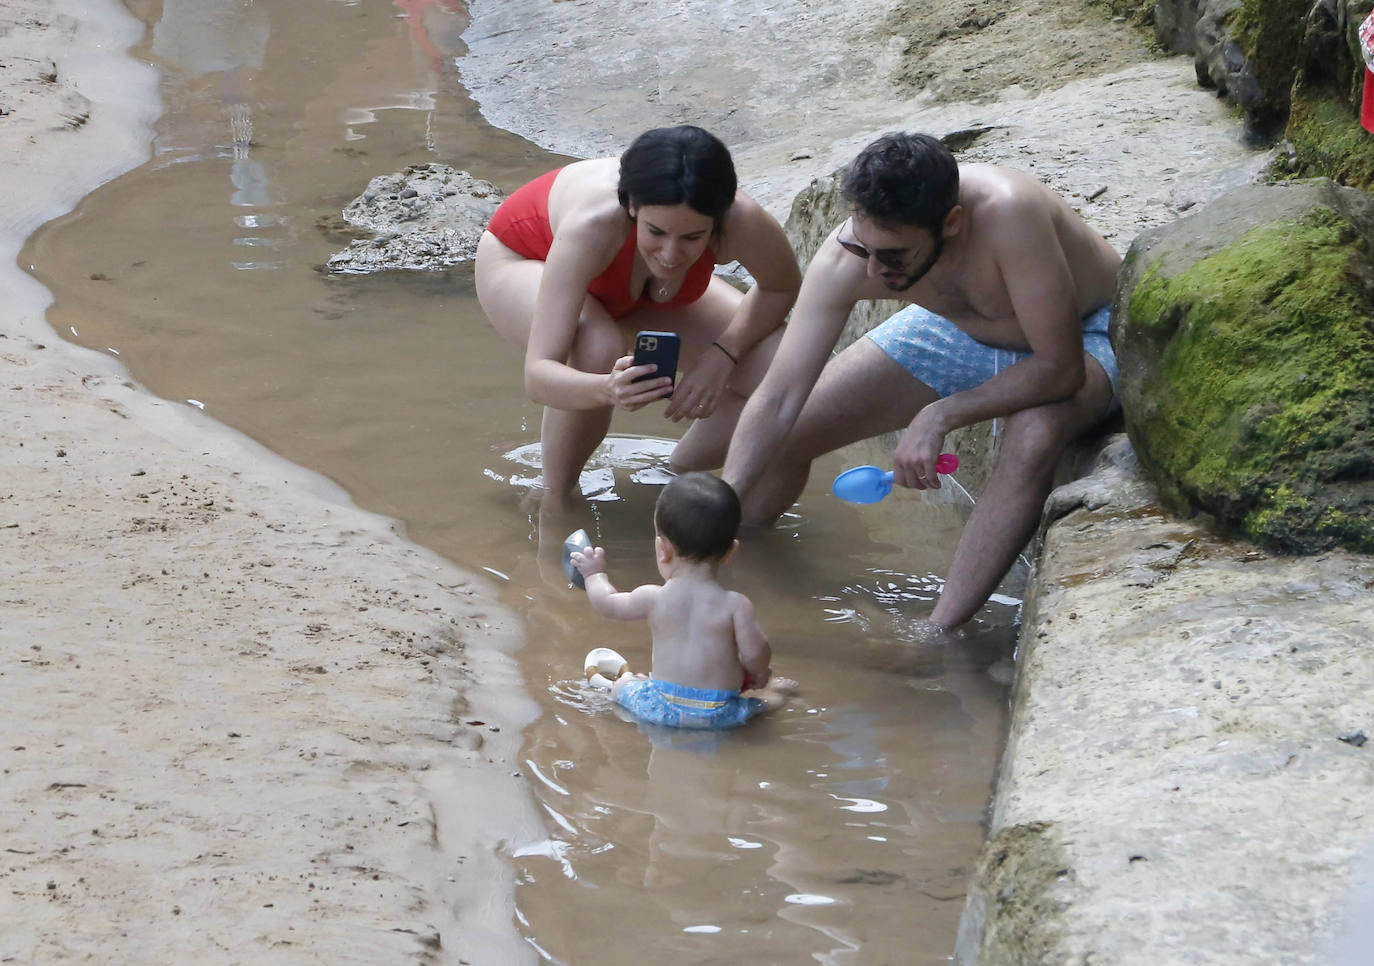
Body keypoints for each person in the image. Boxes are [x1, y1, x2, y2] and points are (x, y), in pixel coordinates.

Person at [722, 132, 1122, 630]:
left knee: (1035, 433)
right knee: (788, 435)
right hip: (960, 327)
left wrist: (940, 415)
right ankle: (742, 567)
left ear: (951, 224)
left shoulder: (1009, 212)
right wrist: (720, 509)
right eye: (861, 246)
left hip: (1084, 331)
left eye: (892, 256)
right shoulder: (852, 251)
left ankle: (937, 634)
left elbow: (1058, 368)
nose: (870, 269)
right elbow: (780, 395)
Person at [475, 125, 802, 509]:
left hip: (640, 292)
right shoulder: (593, 224)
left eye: (692, 238)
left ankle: (669, 473)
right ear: (632, 207)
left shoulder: (742, 219)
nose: (670, 254)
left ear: (717, 220)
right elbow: (539, 376)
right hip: (525, 260)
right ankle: (554, 499)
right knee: (597, 346)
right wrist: (606, 390)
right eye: (656, 232)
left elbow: (781, 286)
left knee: (785, 366)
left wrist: (722, 355)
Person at [569, 472, 798, 730]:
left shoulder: (653, 597)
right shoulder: (735, 605)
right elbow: (757, 653)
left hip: (660, 709)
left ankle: (643, 686)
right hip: (718, 715)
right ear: (730, 552)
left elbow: (607, 603)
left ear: (662, 549)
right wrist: (759, 676)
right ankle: (777, 695)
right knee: (760, 705)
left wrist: (593, 574)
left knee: (623, 685)